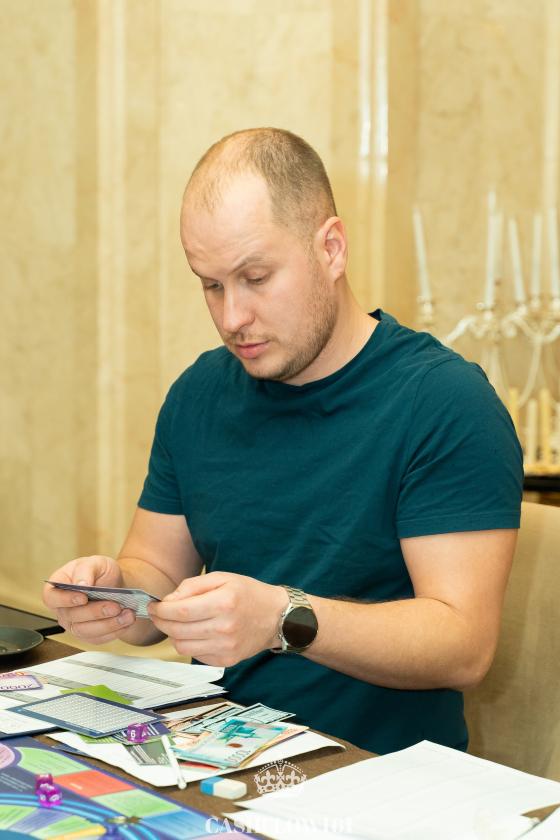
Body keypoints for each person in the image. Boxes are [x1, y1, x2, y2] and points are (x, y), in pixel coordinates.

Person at [43, 128, 523, 754]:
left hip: (373, 773)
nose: (232, 318)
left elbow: (463, 648)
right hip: (216, 752)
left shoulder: (444, 401)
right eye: (211, 285)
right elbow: (156, 572)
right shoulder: (200, 393)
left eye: (256, 277)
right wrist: (115, 594)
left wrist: (281, 619)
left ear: (331, 248)